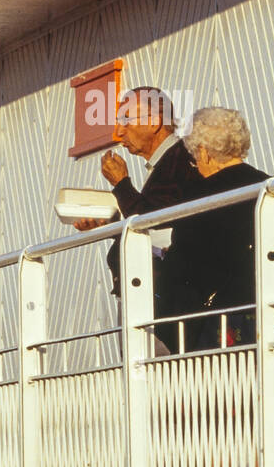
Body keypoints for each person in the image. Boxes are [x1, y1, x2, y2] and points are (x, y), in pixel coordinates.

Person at [157, 106, 274, 353]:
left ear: (204, 152)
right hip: (265, 318)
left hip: (211, 324)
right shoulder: (273, 189)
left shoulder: (197, 197)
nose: (196, 165)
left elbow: (181, 266)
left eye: (193, 158)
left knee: (212, 390)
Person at [72, 86, 202, 353]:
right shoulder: (169, 163)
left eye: (126, 121)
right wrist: (110, 226)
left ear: (154, 122)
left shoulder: (177, 162)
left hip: (159, 300)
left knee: (153, 383)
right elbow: (154, 225)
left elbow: (153, 222)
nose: (118, 133)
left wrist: (121, 184)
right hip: (152, 294)